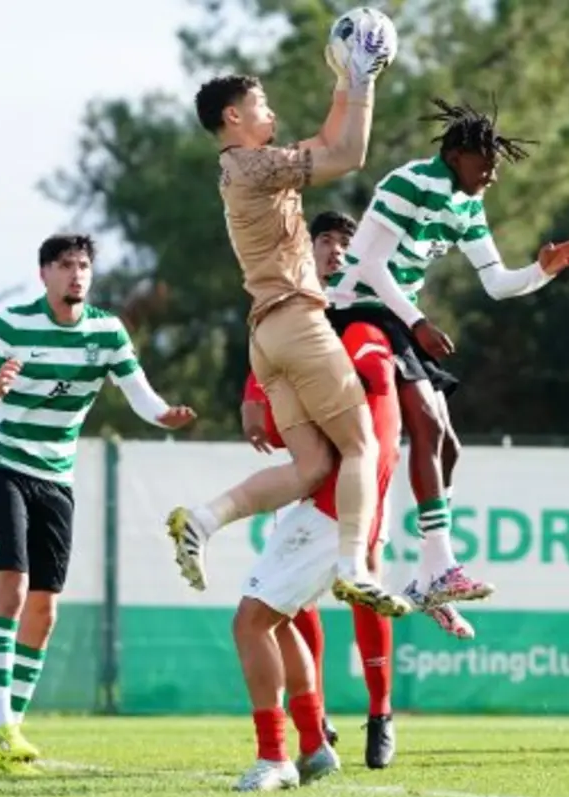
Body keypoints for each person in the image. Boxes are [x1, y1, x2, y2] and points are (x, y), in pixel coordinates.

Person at [170, 25, 409, 617]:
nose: (270, 111)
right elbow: (348, 154)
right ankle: (355, 567)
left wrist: (346, 81)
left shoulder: (246, 167)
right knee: (361, 445)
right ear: (233, 117)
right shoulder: (252, 166)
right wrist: (360, 81)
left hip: (266, 338)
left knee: (311, 468)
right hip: (300, 325)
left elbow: (331, 138)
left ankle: (205, 518)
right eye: (260, 105)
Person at [325, 98, 569, 610]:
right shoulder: (410, 182)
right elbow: (373, 266)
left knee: (449, 448)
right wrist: (418, 321)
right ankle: (441, 564)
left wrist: (541, 272)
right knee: (427, 425)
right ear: (453, 154)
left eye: (494, 166)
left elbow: (496, 283)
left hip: (396, 316)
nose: (490, 174)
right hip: (358, 308)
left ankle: (429, 572)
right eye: (483, 163)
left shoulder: (467, 204)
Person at [0, 233, 195, 772]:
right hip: (2, 470)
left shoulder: (107, 331)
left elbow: (139, 393)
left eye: (83, 265)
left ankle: (11, 729)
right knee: (11, 591)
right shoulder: (12, 324)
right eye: (65, 265)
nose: (76, 274)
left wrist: (163, 415)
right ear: (43, 273)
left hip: (55, 481)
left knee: (44, 610)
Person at [232, 320, 401, 791]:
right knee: (280, 617)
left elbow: (369, 384)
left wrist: (284, 380)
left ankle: (275, 756)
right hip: (321, 503)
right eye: (323, 240)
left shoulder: (362, 330)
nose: (333, 255)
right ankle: (312, 744)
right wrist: (261, 386)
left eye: (342, 242)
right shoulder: (308, 332)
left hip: (334, 509)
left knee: (250, 623)